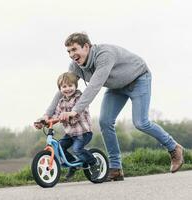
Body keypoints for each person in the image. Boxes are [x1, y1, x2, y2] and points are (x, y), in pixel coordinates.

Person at [43, 32, 184, 181]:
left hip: (138, 79)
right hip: (117, 87)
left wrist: (75, 111)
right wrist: (47, 114)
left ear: (86, 46)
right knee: (105, 122)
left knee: (141, 123)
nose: (71, 54)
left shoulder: (104, 55)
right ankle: (116, 168)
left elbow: (94, 86)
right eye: (69, 51)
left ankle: (174, 147)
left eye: (74, 49)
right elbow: (62, 91)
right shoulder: (75, 66)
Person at [35, 72, 97, 180]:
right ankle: (73, 164)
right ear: (60, 89)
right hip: (70, 133)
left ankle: (94, 164)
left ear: (75, 86)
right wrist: (44, 121)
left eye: (70, 85)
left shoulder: (80, 98)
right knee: (60, 147)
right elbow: (55, 115)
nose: (67, 89)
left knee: (77, 149)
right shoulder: (61, 101)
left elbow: (79, 112)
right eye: (64, 86)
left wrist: (69, 115)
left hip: (83, 132)